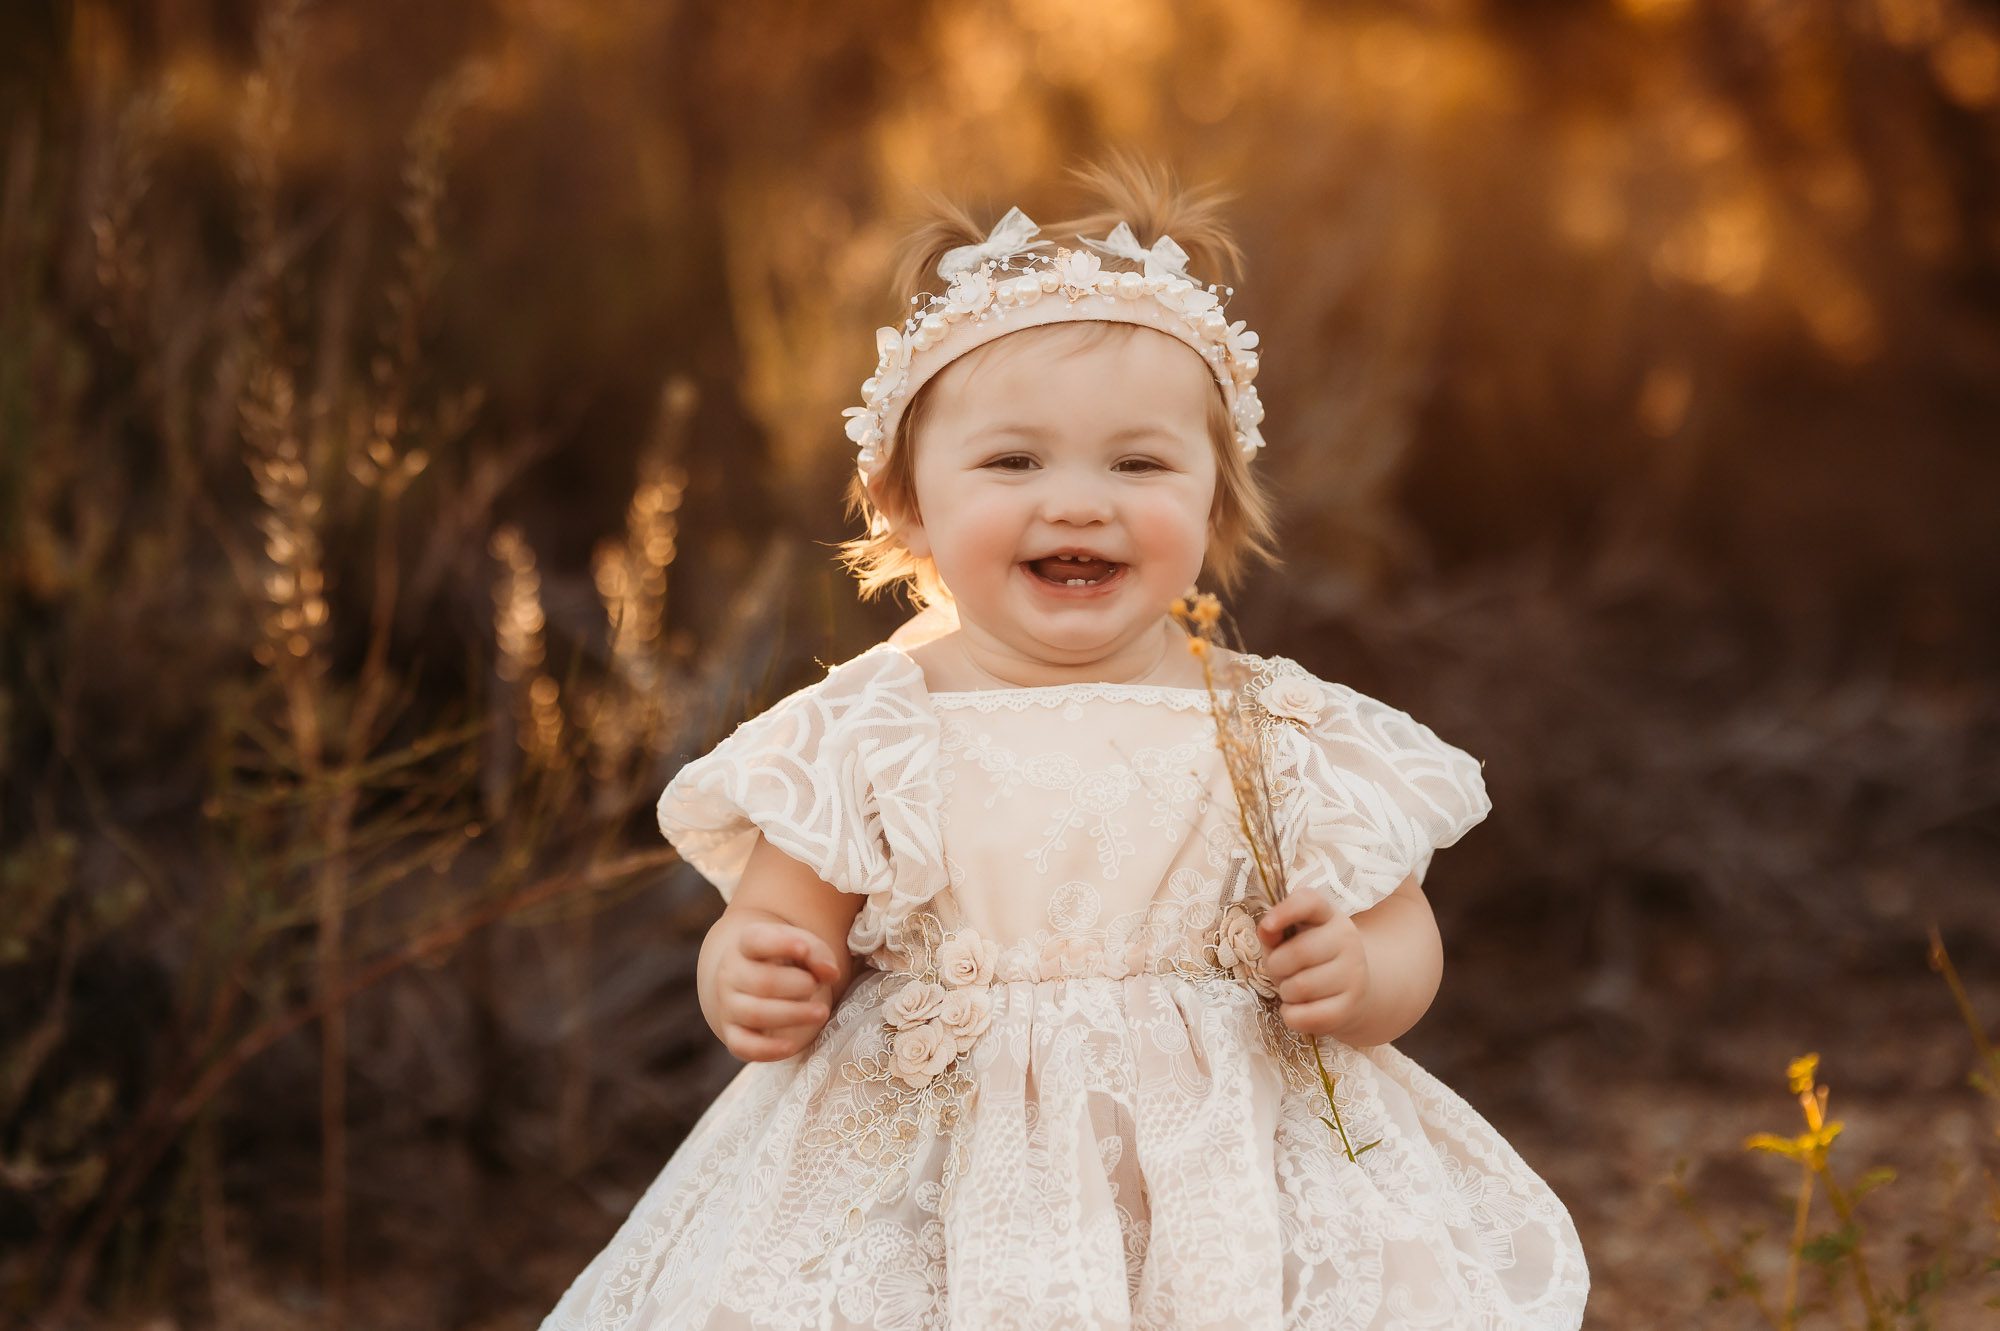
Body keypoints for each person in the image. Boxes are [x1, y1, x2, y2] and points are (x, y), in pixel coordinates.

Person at [541, 156, 1590, 1329]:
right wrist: (746, 974)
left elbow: (1400, 927)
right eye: (1012, 460)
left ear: (1214, 504)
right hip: (938, 1174)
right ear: (903, 503)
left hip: (1222, 1171)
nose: (1079, 501)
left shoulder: (1272, 726)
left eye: (1138, 463)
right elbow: (777, 918)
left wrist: (1360, 974)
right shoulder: (871, 725)